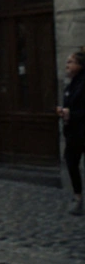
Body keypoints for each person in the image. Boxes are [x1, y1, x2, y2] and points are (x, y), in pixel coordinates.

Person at [57, 48, 85, 215]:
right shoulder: (72, 84)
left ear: (80, 65)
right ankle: (78, 197)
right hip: (74, 132)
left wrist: (70, 113)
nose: (67, 65)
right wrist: (64, 112)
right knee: (71, 162)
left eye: (71, 62)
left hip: (82, 131)